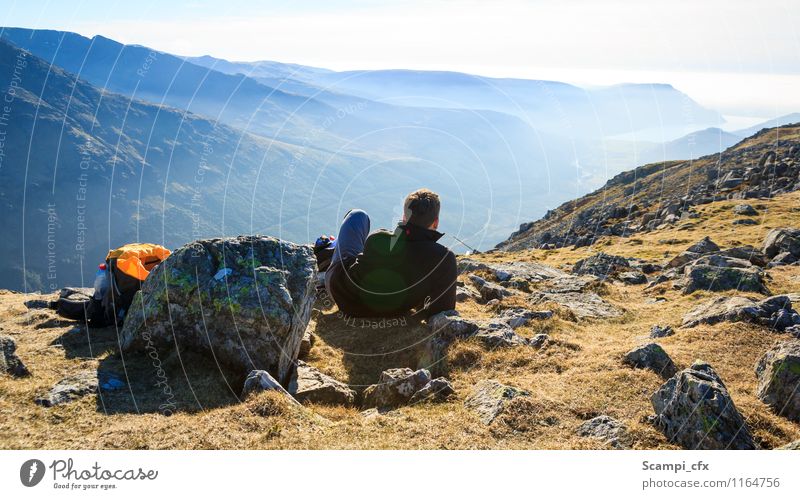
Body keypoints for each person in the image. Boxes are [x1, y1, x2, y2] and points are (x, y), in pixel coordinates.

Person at [322, 188, 457, 319]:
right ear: (436, 223)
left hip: (344, 298)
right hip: (396, 311)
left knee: (357, 216)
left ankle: (327, 251)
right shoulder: (444, 258)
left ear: (404, 217)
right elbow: (442, 310)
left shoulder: (379, 239)